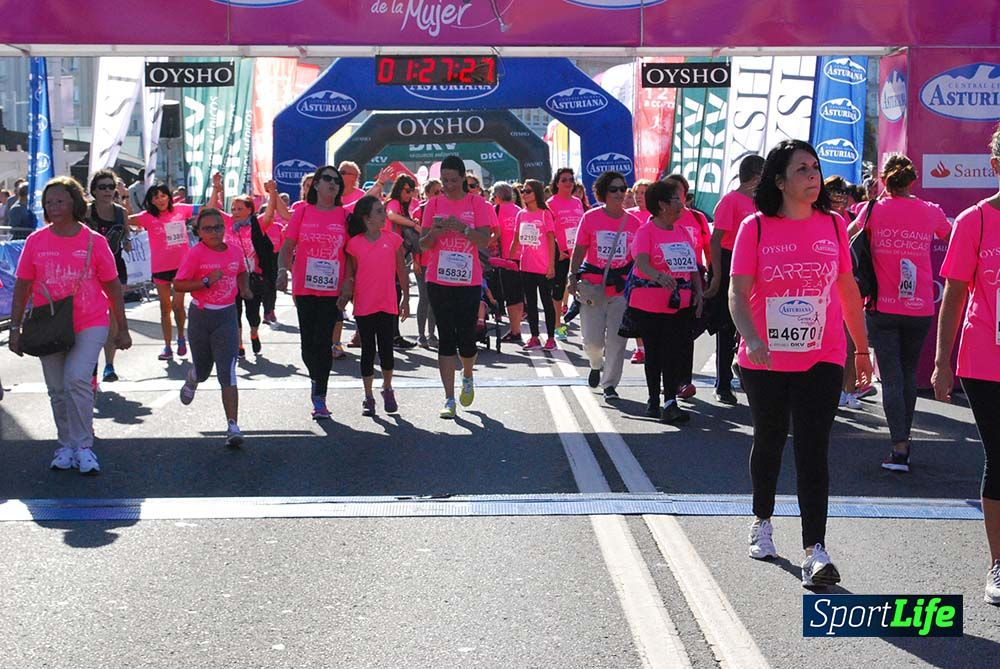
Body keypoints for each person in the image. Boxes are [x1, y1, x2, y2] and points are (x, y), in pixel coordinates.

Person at [729, 139, 872, 589]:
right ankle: (762, 520)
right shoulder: (754, 227)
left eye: (815, 168)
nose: (813, 176)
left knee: (813, 448)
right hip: (765, 357)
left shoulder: (833, 225)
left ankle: (815, 550)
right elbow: (738, 292)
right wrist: (751, 337)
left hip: (822, 355)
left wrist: (862, 350)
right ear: (779, 180)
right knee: (770, 439)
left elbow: (847, 291)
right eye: (802, 170)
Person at [9, 176, 132, 474]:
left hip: (90, 321)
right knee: (56, 389)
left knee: (77, 379)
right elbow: (22, 286)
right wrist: (14, 329)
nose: (54, 207)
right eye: (49, 202)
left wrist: (123, 328)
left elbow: (113, 286)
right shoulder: (36, 241)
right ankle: (65, 444)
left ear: (74, 203)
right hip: (49, 325)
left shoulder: (94, 241)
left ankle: (84, 446)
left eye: (60, 201)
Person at [847, 155, 951, 472]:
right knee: (906, 375)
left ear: (884, 180)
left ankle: (900, 446)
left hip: (881, 307)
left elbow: (846, 237)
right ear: (912, 181)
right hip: (920, 307)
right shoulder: (929, 210)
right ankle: (904, 442)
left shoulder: (872, 209)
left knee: (892, 377)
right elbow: (948, 234)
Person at [933, 123, 1000, 605]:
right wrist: (941, 360)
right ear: (996, 166)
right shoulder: (974, 221)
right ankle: (998, 565)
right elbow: (954, 295)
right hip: (985, 360)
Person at [418, 155, 493, 419]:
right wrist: (436, 232)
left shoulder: (477, 204)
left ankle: (468, 375)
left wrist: (462, 228)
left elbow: (484, 240)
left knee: (467, 338)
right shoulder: (433, 204)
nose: (448, 185)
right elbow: (423, 244)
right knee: (446, 338)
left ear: (463, 178)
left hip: (468, 280)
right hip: (438, 279)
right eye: (444, 180)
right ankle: (448, 398)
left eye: (453, 180)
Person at [173, 207, 252, 447]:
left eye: (218, 227)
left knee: (227, 371)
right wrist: (205, 281)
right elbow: (178, 284)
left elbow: (242, 271)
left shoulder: (235, 252)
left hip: (227, 316)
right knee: (205, 370)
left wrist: (245, 288)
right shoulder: (195, 254)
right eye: (208, 229)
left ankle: (233, 426)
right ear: (199, 232)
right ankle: (194, 376)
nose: (215, 232)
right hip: (201, 316)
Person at [278, 165, 349, 419]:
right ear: (316, 185)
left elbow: (350, 254)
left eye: (337, 181)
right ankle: (315, 378)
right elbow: (288, 246)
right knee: (308, 343)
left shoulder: (344, 215)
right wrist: (281, 271)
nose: (333, 183)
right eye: (327, 179)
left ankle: (320, 395)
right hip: (304, 286)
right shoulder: (302, 211)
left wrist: (348, 284)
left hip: (332, 290)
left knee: (324, 342)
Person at [630, 179, 703, 423]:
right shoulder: (646, 232)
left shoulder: (682, 231)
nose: (682, 205)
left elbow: (692, 265)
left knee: (673, 352)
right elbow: (641, 263)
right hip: (649, 303)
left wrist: (699, 293)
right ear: (662, 205)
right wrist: (659, 276)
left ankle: (669, 400)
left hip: (679, 304)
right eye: (676, 200)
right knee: (654, 353)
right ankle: (653, 399)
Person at [568, 171, 642, 400]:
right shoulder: (590, 218)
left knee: (617, 341)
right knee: (592, 342)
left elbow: (639, 258)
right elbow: (580, 249)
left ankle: (609, 384)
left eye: (623, 189)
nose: (620, 193)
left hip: (620, 290)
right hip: (593, 288)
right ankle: (595, 363)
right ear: (603, 193)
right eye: (614, 189)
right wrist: (572, 277)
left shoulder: (634, 223)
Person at [339, 196, 410, 416]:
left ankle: (387, 388)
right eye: (379, 211)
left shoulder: (392, 239)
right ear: (367, 218)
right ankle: (368, 395)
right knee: (368, 350)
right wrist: (345, 295)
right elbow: (350, 274)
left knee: (387, 350)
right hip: (364, 304)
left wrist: (406, 297)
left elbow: (401, 270)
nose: (384, 215)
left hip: (388, 302)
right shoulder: (355, 243)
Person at [706, 155, 764, 405]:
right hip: (731, 261)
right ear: (755, 175)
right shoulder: (731, 201)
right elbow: (716, 240)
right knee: (726, 326)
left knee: (753, 321)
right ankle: (723, 382)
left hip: (757, 263)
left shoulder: (762, 202)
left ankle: (743, 365)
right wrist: (717, 274)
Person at [130, 183, 194, 361]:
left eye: (163, 195)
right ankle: (167, 346)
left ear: (169, 196)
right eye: (155, 197)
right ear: (151, 201)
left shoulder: (181, 209)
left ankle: (181, 337)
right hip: (160, 268)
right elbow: (123, 218)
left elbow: (207, 208)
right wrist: (124, 200)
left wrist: (216, 189)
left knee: (178, 306)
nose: (160, 200)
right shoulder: (147, 217)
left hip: (181, 267)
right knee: (165, 309)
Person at [664, 173, 712, 400]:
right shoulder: (658, 219)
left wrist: (714, 277)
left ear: (685, 194)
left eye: (679, 192)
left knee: (687, 331)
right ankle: (672, 381)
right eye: (670, 192)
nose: (675, 197)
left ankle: (683, 381)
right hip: (665, 284)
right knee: (670, 334)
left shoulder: (698, 218)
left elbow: (709, 251)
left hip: (694, 280)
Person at [86, 169, 131, 383]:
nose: (107, 191)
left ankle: (109, 365)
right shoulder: (85, 212)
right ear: (94, 190)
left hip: (115, 268)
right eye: (102, 187)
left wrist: (130, 242)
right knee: (92, 317)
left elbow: (127, 237)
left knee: (113, 315)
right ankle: (90, 363)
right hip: (89, 271)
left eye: (111, 187)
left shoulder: (121, 212)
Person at [509, 179, 557, 350]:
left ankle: (551, 337)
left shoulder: (545, 214)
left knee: (546, 302)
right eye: (522, 190)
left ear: (536, 193)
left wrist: (551, 265)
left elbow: (551, 240)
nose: (523, 194)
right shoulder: (521, 214)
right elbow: (516, 240)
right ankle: (534, 336)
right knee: (530, 303)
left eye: (527, 191)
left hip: (543, 266)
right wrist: (508, 260)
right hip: (526, 265)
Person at [547, 168, 585, 341]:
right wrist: (558, 249)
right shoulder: (551, 203)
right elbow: (549, 231)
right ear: (557, 183)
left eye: (571, 179)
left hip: (577, 253)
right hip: (560, 254)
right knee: (558, 291)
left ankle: (589, 330)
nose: (569, 183)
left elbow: (583, 228)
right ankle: (557, 327)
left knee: (583, 289)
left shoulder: (577, 202)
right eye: (564, 180)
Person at [384, 174, 421, 349]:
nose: (409, 195)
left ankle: (393, 335)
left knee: (395, 294)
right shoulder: (394, 203)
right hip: (391, 254)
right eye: (407, 191)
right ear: (399, 189)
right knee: (393, 294)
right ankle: (392, 336)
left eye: (411, 191)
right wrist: (413, 224)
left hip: (398, 255)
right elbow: (391, 215)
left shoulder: (404, 207)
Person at [491, 181, 524, 343]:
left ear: (497, 196)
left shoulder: (495, 210)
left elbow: (493, 234)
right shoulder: (519, 210)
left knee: (510, 296)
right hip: (523, 258)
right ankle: (518, 328)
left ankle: (515, 330)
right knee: (519, 296)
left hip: (506, 258)